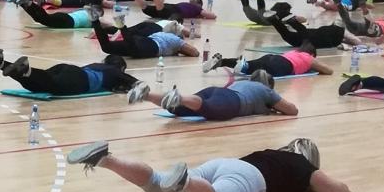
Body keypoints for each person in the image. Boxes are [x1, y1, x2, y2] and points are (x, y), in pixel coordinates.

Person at [66, 136, 350, 192]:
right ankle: (187, 182)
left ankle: (105, 159)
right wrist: (312, 184)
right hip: (251, 180)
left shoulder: (270, 153)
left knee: (157, 186)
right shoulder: (302, 166)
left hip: (223, 165)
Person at [127, 76, 302, 122]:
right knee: (208, 109)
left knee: (177, 109)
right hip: (233, 101)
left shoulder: (243, 82)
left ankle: (145, 94)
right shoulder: (265, 90)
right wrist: (274, 106)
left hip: (217, 91)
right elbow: (292, 110)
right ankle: (179, 96)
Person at [0, 52, 136, 95]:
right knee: (51, 84)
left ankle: (0, 63)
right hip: (81, 80)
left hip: (69, 69)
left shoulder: (97, 65)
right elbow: (135, 82)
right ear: (121, 67)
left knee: (36, 85)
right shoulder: (115, 71)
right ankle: (26, 69)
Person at [93, 19, 200, 60]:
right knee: (134, 49)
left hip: (143, 40)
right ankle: (122, 26)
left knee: (107, 47)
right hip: (153, 46)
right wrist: (179, 50)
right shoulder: (175, 40)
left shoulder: (161, 34)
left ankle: (95, 21)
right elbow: (195, 53)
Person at [18, 0, 98, 31]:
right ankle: (30, 4)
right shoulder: (94, 20)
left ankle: (23, 4)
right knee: (45, 18)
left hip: (65, 16)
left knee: (40, 18)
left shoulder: (84, 11)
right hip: (68, 22)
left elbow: (72, 11)